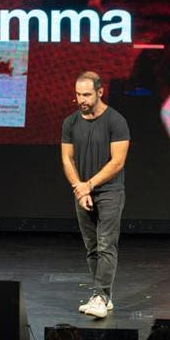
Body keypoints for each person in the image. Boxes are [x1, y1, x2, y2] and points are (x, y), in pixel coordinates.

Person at [61, 71, 130, 319]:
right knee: (91, 247)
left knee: (105, 245)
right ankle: (103, 296)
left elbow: (118, 162)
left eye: (87, 94)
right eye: (78, 94)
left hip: (109, 192)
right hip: (82, 192)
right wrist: (79, 188)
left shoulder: (116, 121)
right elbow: (67, 159)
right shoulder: (70, 122)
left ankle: (101, 296)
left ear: (100, 92)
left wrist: (88, 185)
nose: (82, 99)